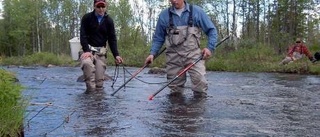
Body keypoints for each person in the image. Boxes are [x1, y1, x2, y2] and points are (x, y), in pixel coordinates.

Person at [144, 0, 218, 98]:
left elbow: (212, 31)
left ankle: (198, 111)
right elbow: (158, 38)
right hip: (173, 58)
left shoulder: (197, 11)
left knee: (200, 84)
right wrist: (152, 54)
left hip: (194, 56)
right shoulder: (164, 15)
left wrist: (209, 48)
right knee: (175, 91)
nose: (174, 1)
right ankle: (176, 111)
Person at [80, 0, 123, 93]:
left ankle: (98, 102)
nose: (101, 9)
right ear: (94, 7)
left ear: (106, 7)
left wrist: (116, 55)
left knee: (99, 85)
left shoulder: (109, 21)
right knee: (87, 64)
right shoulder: (87, 18)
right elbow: (82, 36)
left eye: (103, 7)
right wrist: (86, 50)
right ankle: (89, 98)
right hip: (87, 50)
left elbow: (112, 39)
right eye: (98, 7)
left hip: (101, 53)